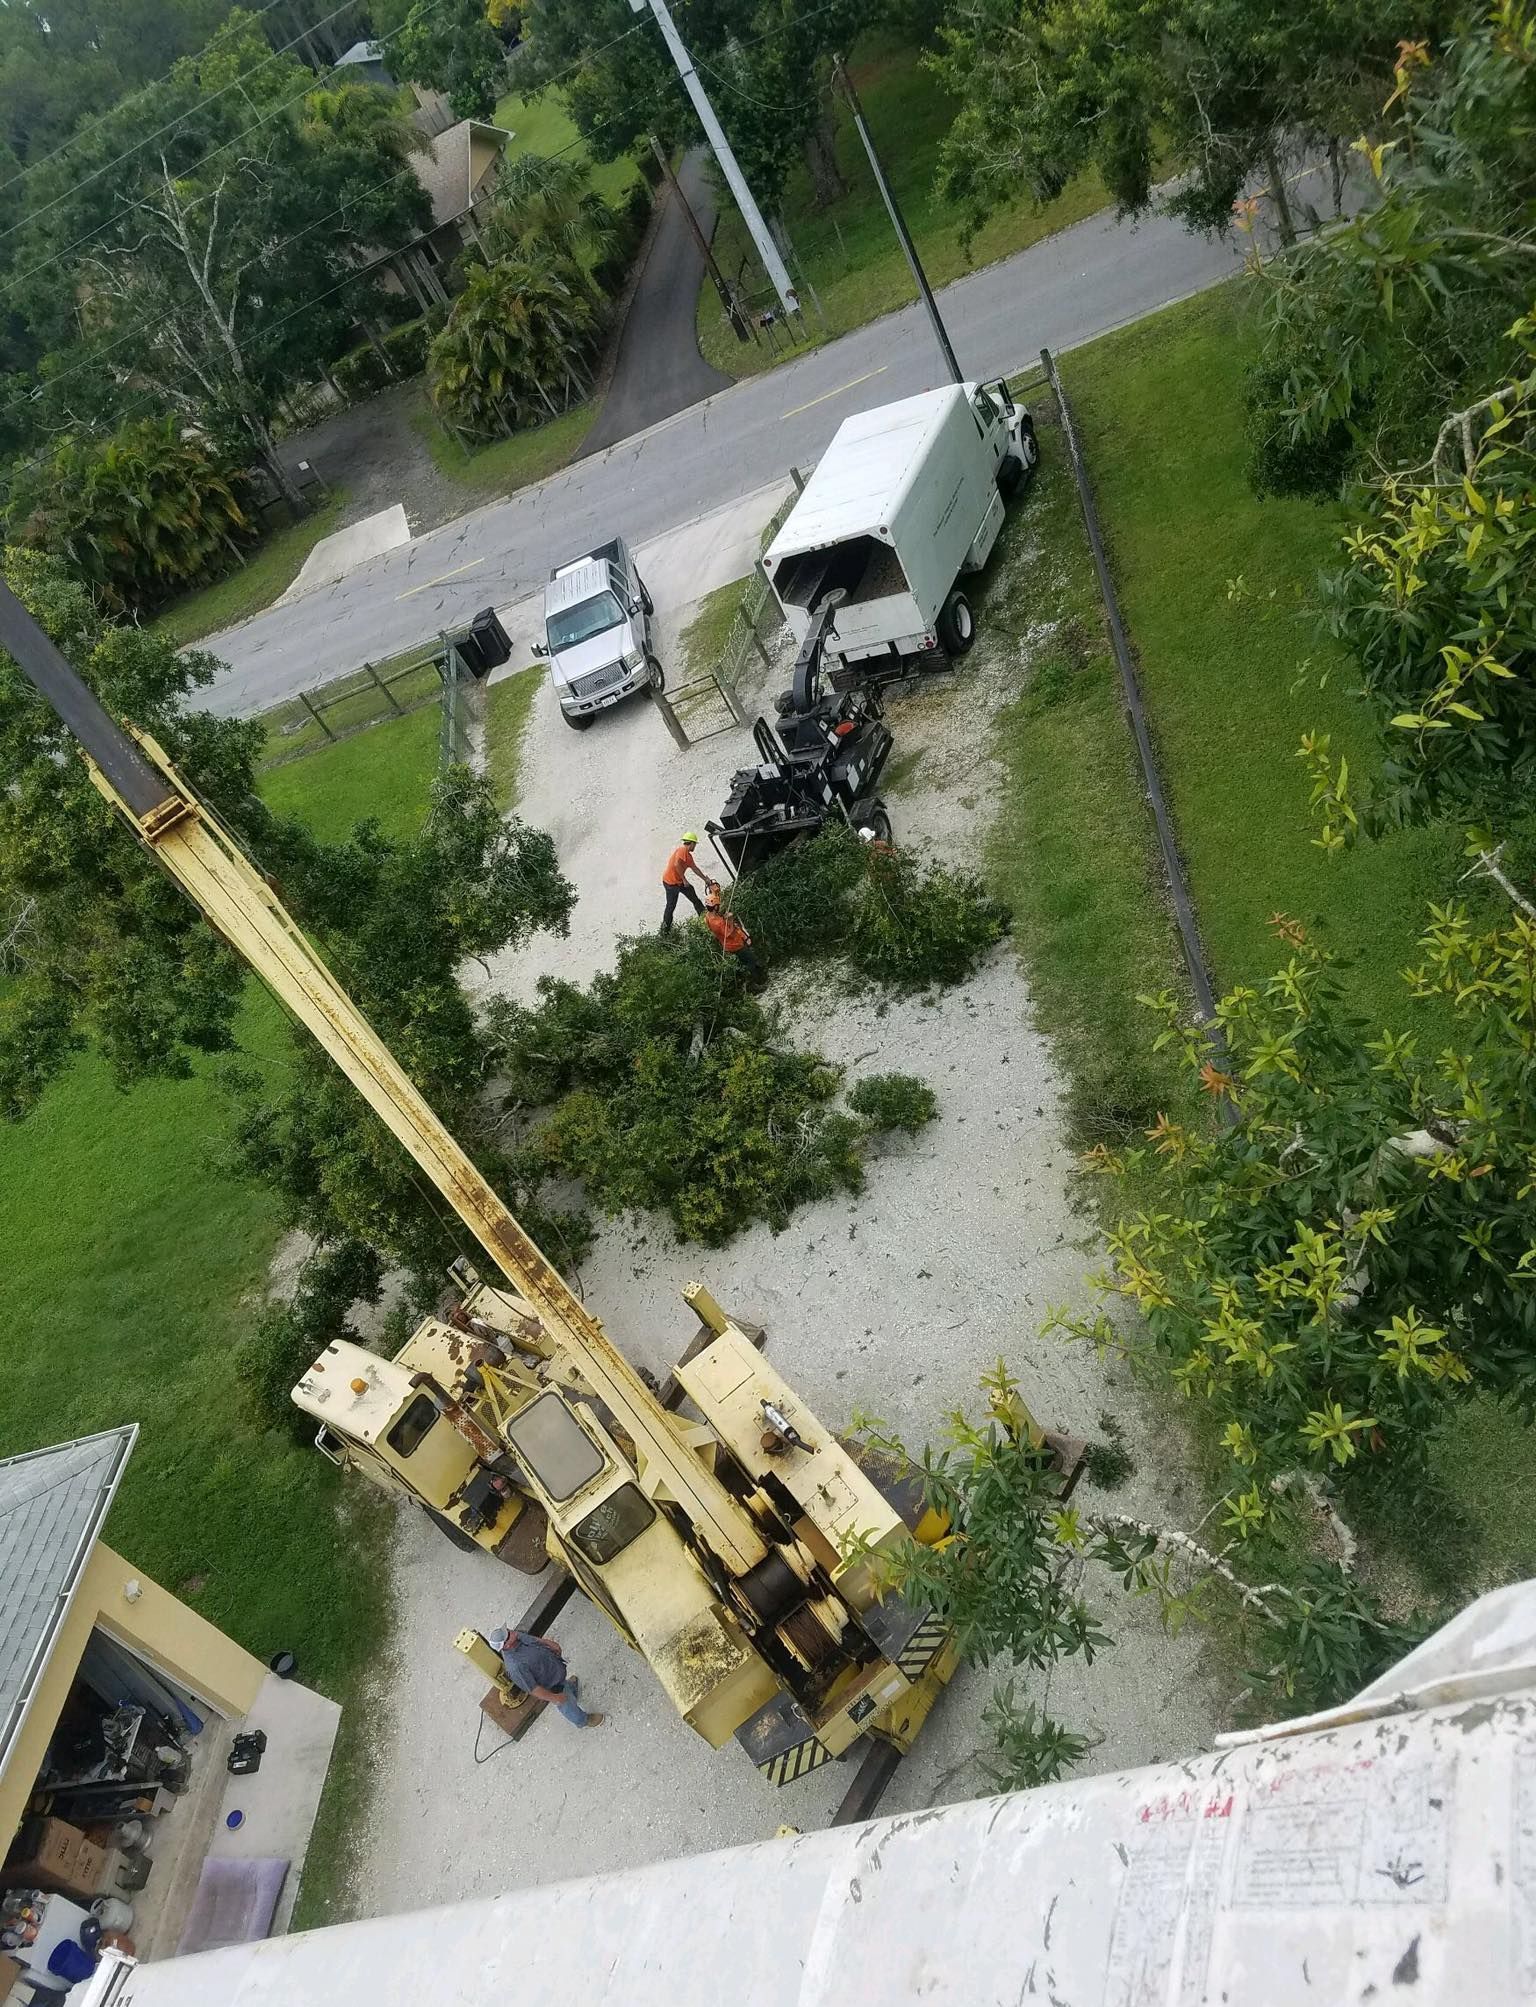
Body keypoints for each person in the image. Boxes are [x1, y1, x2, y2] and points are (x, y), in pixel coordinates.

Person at [487, 1625, 604, 1728]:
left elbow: (534, 1640)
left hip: (555, 1671)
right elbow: (533, 1689)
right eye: (508, 1634)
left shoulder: (516, 1637)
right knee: (566, 1704)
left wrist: (550, 1644)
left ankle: (570, 1689)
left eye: (508, 1630)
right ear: (505, 1646)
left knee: (566, 1687)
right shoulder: (516, 1667)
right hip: (553, 1686)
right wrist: (555, 1698)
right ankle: (583, 1720)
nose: (511, 1632)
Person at [702, 884, 764, 983]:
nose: (719, 906)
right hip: (735, 945)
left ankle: (759, 976)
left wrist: (715, 891)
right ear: (715, 907)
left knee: (748, 959)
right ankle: (755, 982)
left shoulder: (708, 916)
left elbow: (714, 900)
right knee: (750, 961)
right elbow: (728, 934)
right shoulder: (717, 923)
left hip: (729, 944)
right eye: (718, 905)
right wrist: (730, 920)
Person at [660, 831, 709, 934]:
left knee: (692, 894)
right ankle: (665, 932)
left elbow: (695, 869)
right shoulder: (682, 850)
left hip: (679, 881)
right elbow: (677, 864)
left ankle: (704, 916)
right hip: (670, 883)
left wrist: (705, 879)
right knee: (671, 906)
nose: (695, 846)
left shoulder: (688, 856)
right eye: (694, 844)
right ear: (690, 843)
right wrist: (684, 879)